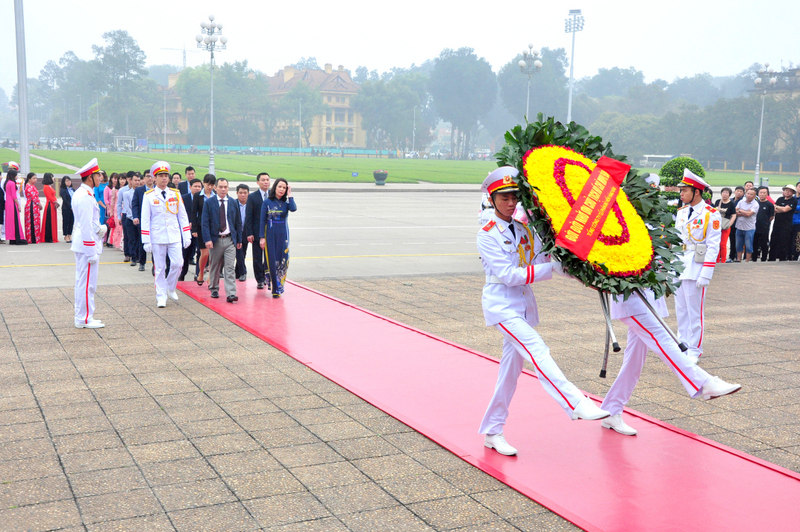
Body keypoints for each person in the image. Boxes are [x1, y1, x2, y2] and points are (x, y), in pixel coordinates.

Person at [476, 167, 609, 457]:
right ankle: (574, 402)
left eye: (514, 196)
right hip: (501, 306)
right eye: (504, 197)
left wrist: (585, 274)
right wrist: (549, 269)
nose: (511, 202)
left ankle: (492, 430)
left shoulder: (523, 230)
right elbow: (510, 275)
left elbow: (544, 259)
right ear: (492, 198)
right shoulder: (486, 235)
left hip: (522, 305)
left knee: (509, 373)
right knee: (537, 348)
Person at [600, 289, 741, 435]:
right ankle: (704, 382)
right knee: (663, 340)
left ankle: (612, 409)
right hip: (631, 300)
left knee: (633, 362)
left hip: (646, 297)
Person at [674, 169, 721, 363]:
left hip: (697, 266)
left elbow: (713, 245)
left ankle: (694, 349)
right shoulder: (682, 212)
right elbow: (677, 241)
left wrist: (706, 273)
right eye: (681, 191)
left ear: (697, 192)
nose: (681, 194)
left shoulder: (711, 214)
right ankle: (682, 344)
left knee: (695, 312)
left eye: (685, 190)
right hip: (680, 265)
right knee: (681, 310)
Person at [141, 161, 191, 308]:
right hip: (157, 236)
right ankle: (161, 295)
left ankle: (170, 287)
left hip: (174, 235)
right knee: (160, 268)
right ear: (154, 178)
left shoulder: (175, 194)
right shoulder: (149, 195)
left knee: (178, 263)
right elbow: (145, 219)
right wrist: (146, 240)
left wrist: (186, 234)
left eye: (166, 176)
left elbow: (182, 216)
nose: (164, 178)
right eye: (161, 176)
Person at [72, 158, 106, 328]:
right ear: (90, 177)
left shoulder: (83, 193)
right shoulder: (85, 196)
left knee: (84, 282)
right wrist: (91, 251)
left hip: (84, 244)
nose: (101, 178)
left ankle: (85, 316)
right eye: (98, 175)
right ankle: (84, 319)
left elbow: (87, 222)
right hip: (87, 246)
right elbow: (85, 225)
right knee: (87, 284)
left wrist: (100, 228)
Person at [201, 177, 242, 302]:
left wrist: (239, 239)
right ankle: (214, 288)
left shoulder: (233, 202)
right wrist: (207, 239)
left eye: (225, 187)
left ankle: (231, 293)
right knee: (215, 266)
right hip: (216, 240)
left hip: (230, 240)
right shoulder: (209, 202)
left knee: (229, 267)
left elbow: (238, 222)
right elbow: (205, 222)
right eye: (221, 187)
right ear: (216, 187)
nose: (223, 189)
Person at [259, 178, 297, 298]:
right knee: (272, 260)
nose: (281, 189)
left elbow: (293, 208)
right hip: (270, 235)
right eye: (279, 187)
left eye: (284, 188)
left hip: (283, 236)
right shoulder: (267, 202)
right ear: (275, 187)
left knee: (283, 261)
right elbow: (262, 221)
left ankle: (280, 286)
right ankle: (275, 289)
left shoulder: (286, 204)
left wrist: (290, 195)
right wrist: (261, 237)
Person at [245, 172, 270, 290]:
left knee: (269, 257)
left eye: (267, 180)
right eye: (263, 180)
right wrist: (249, 233)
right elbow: (248, 216)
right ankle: (259, 279)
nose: (266, 182)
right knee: (257, 257)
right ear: (258, 182)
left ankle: (267, 277)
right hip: (256, 232)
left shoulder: (273, 196)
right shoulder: (252, 197)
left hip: (270, 232)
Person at [193, 173, 216, 285]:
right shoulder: (198, 196)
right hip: (202, 228)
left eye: (212, 184)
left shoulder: (215, 195)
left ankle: (211, 276)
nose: (210, 187)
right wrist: (194, 229)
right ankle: (201, 272)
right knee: (205, 253)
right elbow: (194, 213)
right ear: (203, 183)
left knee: (213, 254)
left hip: (214, 228)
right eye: (208, 184)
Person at [178, 178, 202, 282]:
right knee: (186, 253)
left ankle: (198, 274)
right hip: (187, 230)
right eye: (195, 186)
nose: (197, 188)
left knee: (200, 253)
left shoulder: (204, 198)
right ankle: (182, 274)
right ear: (190, 187)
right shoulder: (183, 198)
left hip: (200, 230)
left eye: (199, 187)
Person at [131, 170, 154, 271]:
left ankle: (155, 264)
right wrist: (135, 216)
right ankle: (142, 262)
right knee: (143, 242)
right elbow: (135, 204)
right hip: (143, 221)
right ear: (144, 178)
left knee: (156, 243)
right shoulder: (139, 190)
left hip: (155, 221)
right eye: (147, 176)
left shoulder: (157, 190)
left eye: (151, 176)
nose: (150, 178)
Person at [769, 184, 798, 261]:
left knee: (784, 241)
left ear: (792, 192)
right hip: (777, 223)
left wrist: (777, 207)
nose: (787, 192)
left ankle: (782, 258)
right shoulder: (780, 199)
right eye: (785, 190)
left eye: (789, 191)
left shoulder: (793, 200)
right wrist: (779, 208)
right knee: (773, 240)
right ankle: (772, 258)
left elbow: (785, 209)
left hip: (786, 225)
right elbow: (775, 210)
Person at [734, 187, 759, 262]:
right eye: (748, 193)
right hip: (739, 226)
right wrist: (745, 212)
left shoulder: (755, 204)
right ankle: (738, 259)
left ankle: (747, 260)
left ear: (754, 196)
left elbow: (749, 214)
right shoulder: (741, 202)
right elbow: (736, 212)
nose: (749, 195)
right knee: (738, 244)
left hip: (749, 228)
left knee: (748, 245)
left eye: (751, 194)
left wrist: (741, 211)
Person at [3, 167, 26, 245]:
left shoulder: (7, 182)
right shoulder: (12, 183)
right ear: (13, 175)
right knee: (15, 221)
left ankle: (12, 238)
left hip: (8, 203)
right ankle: (17, 237)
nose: (17, 177)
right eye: (16, 175)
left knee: (10, 221)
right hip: (12, 204)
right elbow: (14, 196)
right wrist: (18, 205)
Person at [713, 187, 735, 263]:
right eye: (723, 192)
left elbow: (734, 215)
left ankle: (723, 260)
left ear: (729, 195)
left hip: (725, 225)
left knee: (723, 244)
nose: (724, 194)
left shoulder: (731, 203)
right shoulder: (718, 201)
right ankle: (716, 260)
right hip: (716, 225)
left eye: (726, 193)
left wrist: (730, 224)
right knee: (716, 243)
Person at [752, 186, 774, 262]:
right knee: (754, 243)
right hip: (754, 227)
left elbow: (771, 216)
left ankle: (764, 258)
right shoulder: (755, 203)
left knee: (764, 244)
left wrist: (766, 222)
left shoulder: (769, 204)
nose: (762, 194)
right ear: (758, 194)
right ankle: (754, 258)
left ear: (767, 194)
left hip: (764, 227)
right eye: (761, 193)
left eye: (764, 193)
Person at [234, 183, 250, 281]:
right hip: (235, 233)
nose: (243, 195)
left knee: (242, 253)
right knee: (239, 252)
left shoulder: (250, 204)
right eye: (240, 193)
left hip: (246, 233)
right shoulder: (233, 203)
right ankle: (243, 272)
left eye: (245, 193)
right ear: (237, 193)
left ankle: (237, 272)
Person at [23, 173, 42, 244]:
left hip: (34, 206)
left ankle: (35, 238)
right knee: (32, 221)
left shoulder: (32, 186)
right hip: (31, 205)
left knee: (35, 221)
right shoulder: (29, 187)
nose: (35, 180)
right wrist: (39, 204)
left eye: (36, 178)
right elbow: (34, 197)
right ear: (29, 179)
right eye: (34, 178)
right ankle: (32, 239)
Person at [728, 186, 745, 262]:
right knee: (732, 240)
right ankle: (731, 256)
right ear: (734, 192)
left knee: (738, 241)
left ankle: (737, 256)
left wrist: (733, 212)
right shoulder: (731, 200)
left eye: (741, 191)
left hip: (739, 224)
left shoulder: (743, 201)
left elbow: (741, 212)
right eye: (737, 191)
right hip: (731, 223)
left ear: (743, 193)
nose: (738, 192)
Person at [40, 173, 59, 243]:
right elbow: (49, 197)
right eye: (52, 177)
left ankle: (51, 236)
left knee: (52, 221)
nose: (53, 178)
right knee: (49, 221)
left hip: (52, 204)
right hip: (49, 205)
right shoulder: (46, 187)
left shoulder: (49, 186)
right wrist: (55, 201)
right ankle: (48, 237)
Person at [103, 173, 119, 248]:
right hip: (110, 208)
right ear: (111, 179)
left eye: (117, 178)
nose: (115, 180)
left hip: (117, 208)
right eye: (114, 178)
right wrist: (109, 209)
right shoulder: (107, 188)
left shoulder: (118, 188)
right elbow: (106, 200)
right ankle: (107, 240)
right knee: (110, 224)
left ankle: (113, 241)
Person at [59, 176, 74, 243]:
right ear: (64, 182)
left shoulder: (72, 189)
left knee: (71, 222)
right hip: (66, 208)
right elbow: (65, 200)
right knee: (66, 221)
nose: (69, 182)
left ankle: (69, 234)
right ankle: (66, 235)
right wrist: (70, 206)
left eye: (69, 180)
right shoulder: (63, 190)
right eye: (67, 181)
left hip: (73, 209)